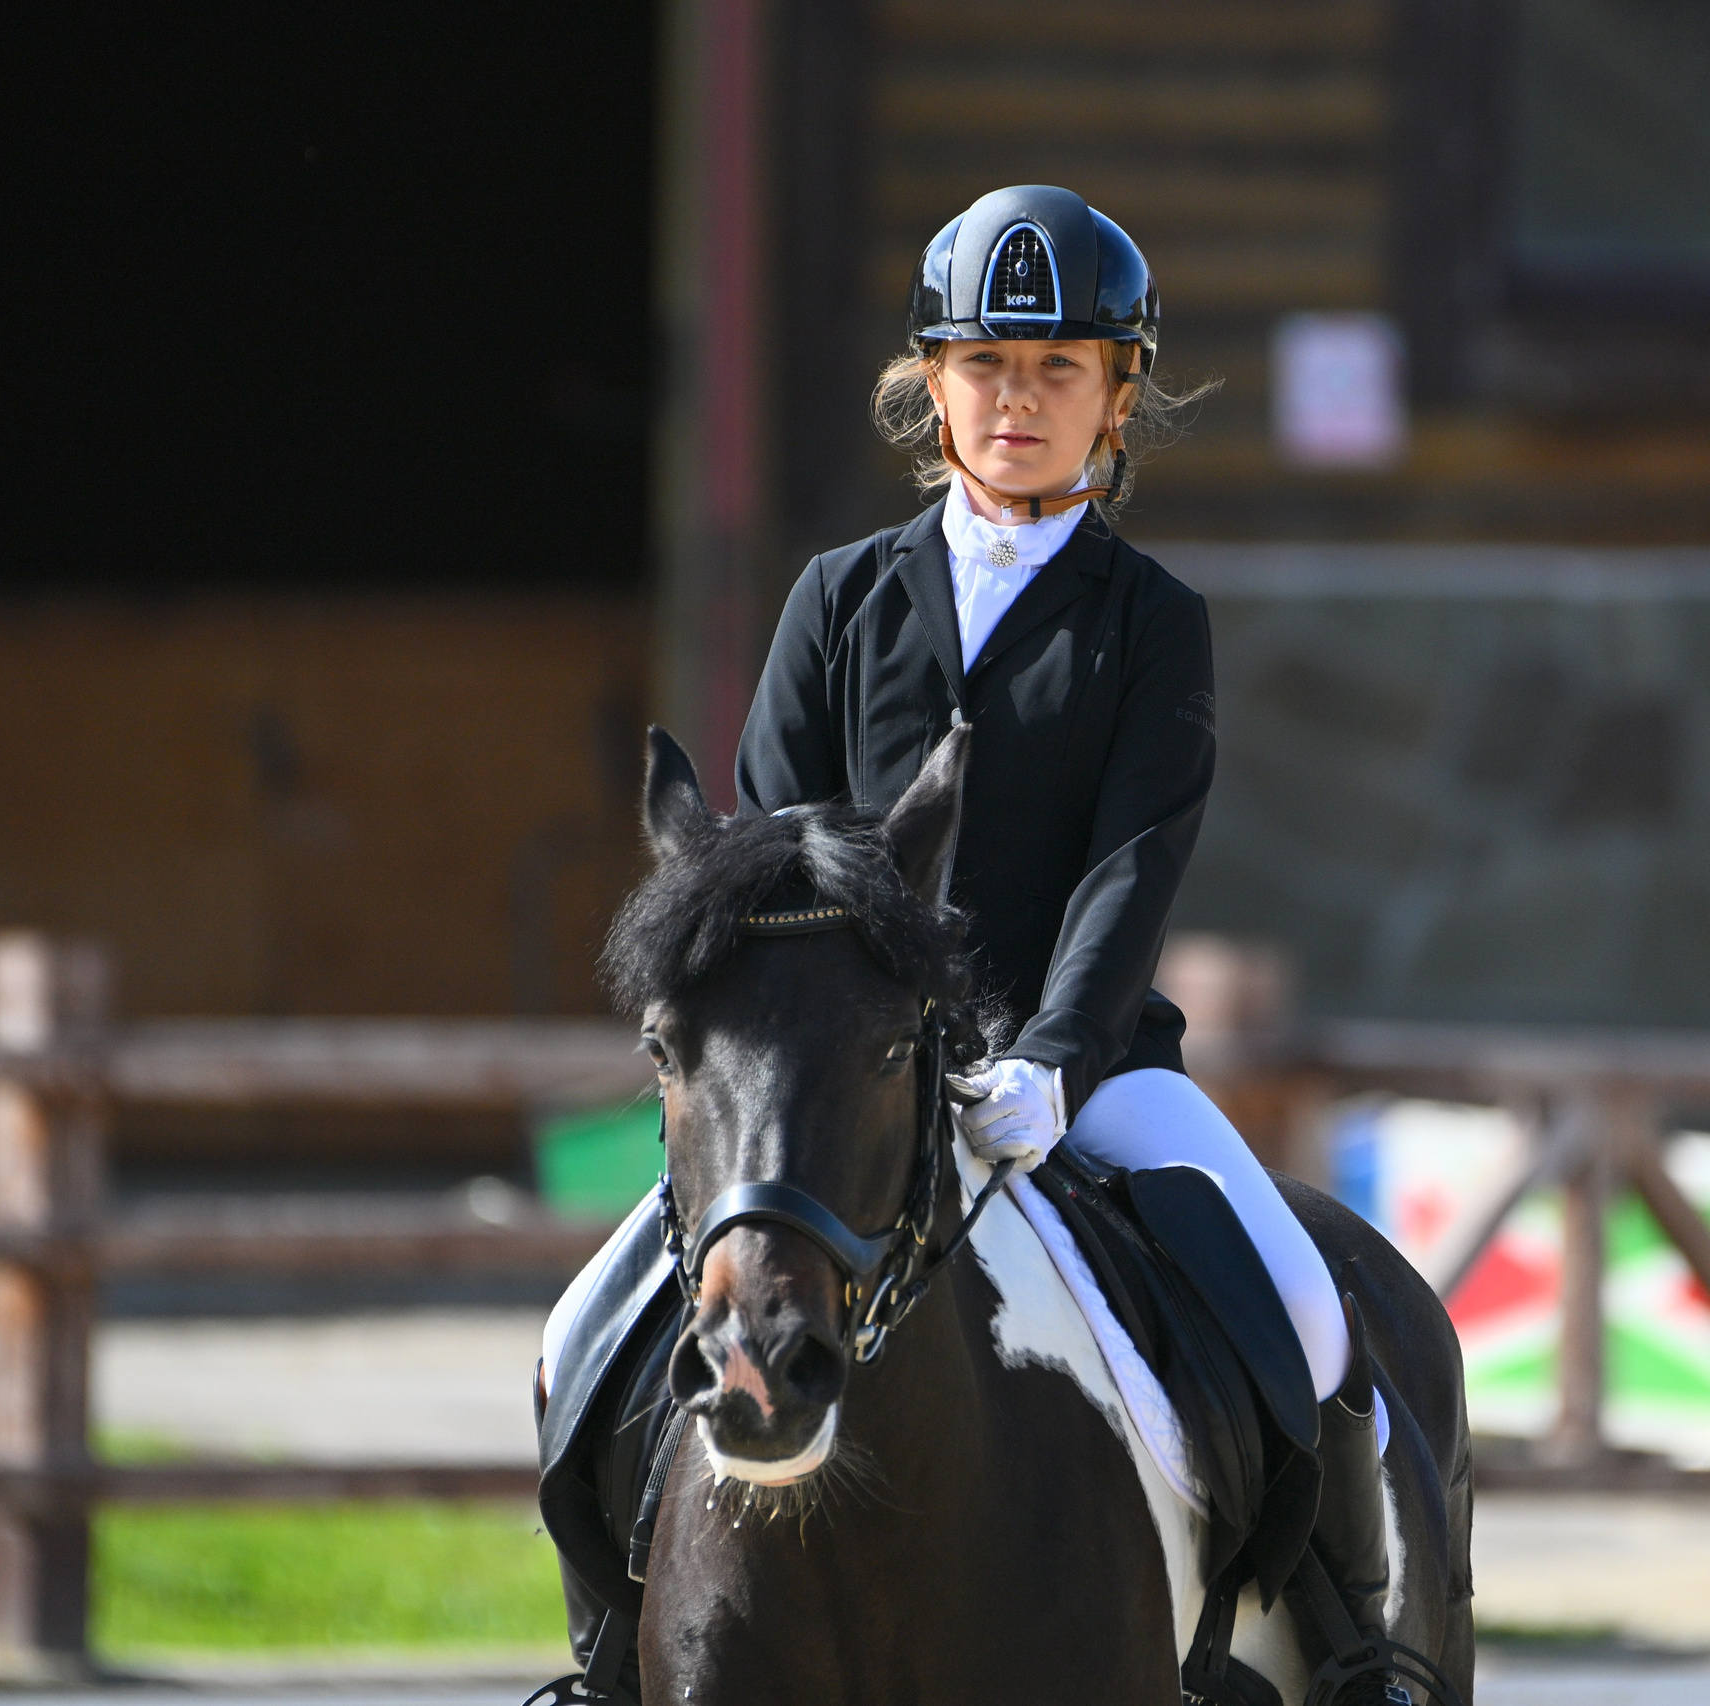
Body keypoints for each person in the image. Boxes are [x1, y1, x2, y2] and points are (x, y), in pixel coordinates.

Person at [534, 184, 1396, 1701]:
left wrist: (1055, 1061)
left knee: (1306, 1311)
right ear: (932, 385)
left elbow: (1135, 868)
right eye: (988, 368)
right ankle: (610, 1657)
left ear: (1119, 396)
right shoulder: (837, 600)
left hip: (1087, 1069)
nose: (1019, 401)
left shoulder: (1151, 623)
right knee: (583, 1326)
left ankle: (1351, 1651)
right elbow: (767, 870)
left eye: (1058, 369)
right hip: (843, 1072)